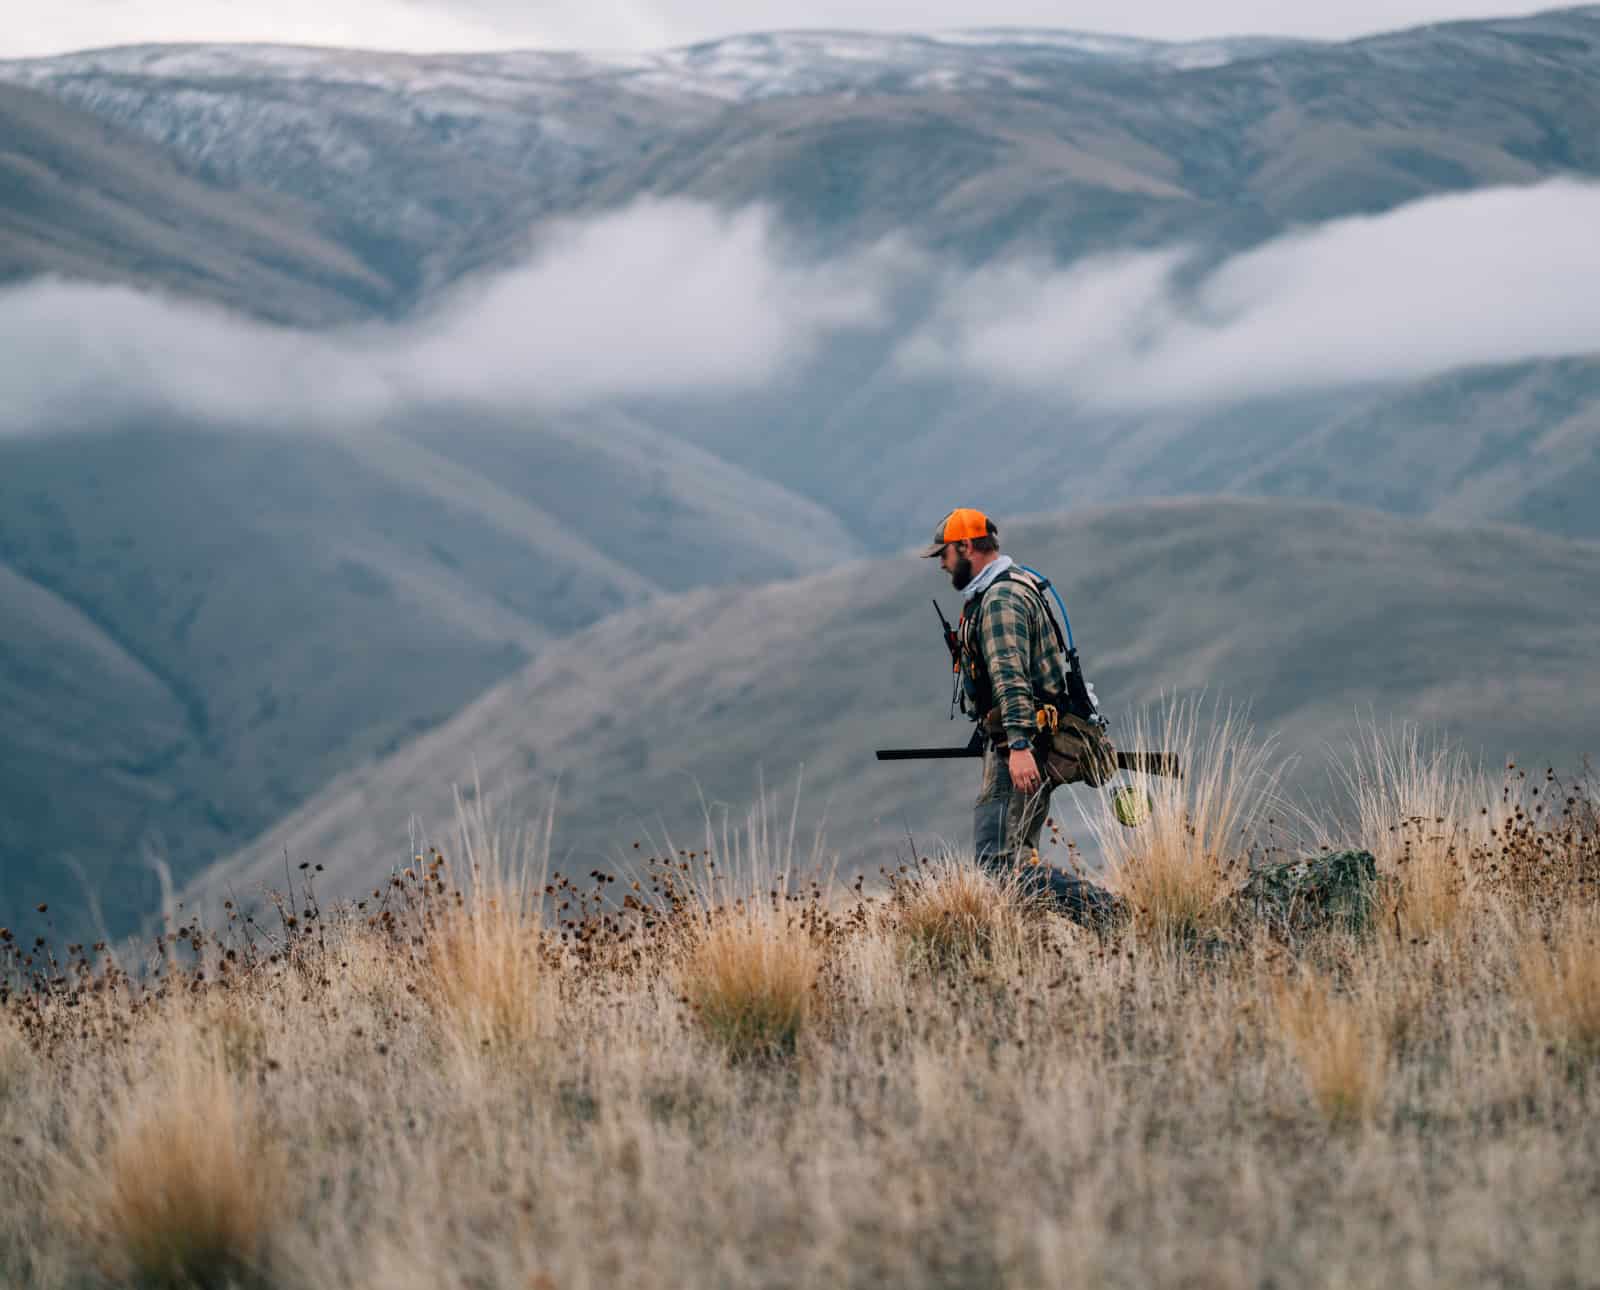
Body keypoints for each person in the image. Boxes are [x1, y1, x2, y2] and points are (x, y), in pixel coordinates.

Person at [922, 507, 1124, 928]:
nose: (942, 563)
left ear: (967, 547)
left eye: (945, 553)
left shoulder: (999, 600)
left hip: (1019, 746)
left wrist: (1017, 745)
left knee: (998, 863)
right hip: (1028, 740)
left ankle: (1111, 915)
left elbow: (1010, 677)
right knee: (1018, 860)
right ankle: (1031, 953)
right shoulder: (1016, 585)